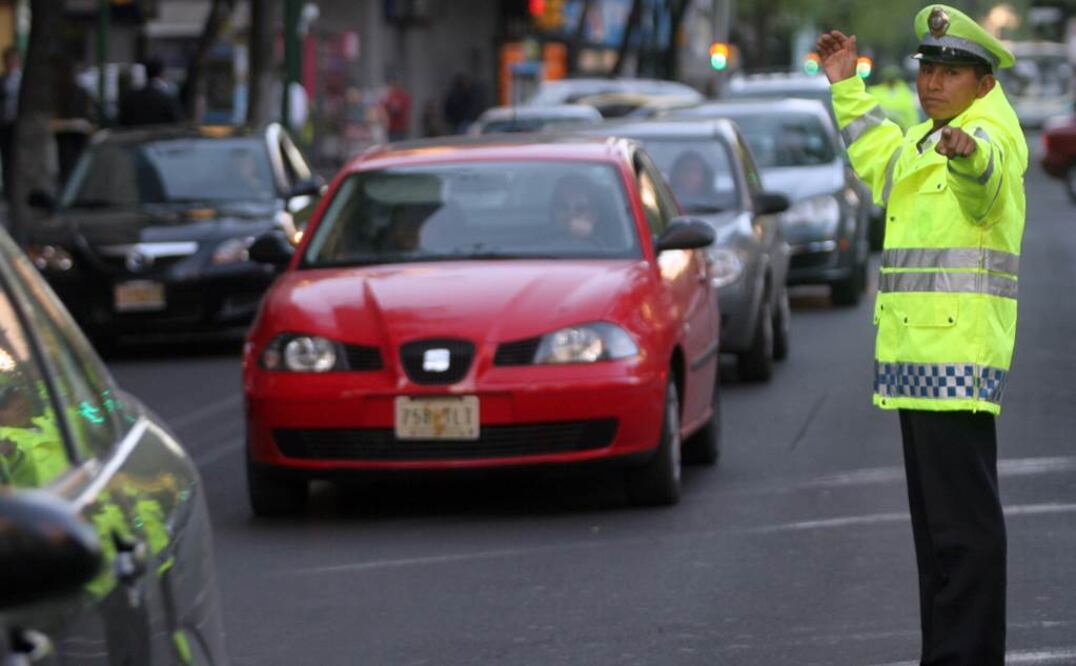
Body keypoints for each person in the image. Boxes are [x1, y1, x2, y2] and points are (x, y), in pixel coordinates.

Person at [816, 5, 1027, 664]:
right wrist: (845, 85)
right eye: (928, 69)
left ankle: (966, 656)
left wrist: (967, 157)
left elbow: (987, 180)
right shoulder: (926, 136)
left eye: (951, 72)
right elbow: (878, 157)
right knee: (939, 536)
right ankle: (947, 653)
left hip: (956, 360)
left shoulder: (987, 135)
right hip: (920, 364)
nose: (933, 83)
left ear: (984, 82)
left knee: (962, 534)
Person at [118, 58, 183, 127]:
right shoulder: (167, 98)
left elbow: (123, 122)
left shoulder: (130, 97)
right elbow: (178, 122)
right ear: (161, 73)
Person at [869, 65, 922, 131]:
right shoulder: (874, 92)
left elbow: (912, 115)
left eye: (892, 78)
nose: (891, 80)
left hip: (903, 132)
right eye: (889, 78)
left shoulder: (905, 92)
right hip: (880, 132)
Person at [0, 47, 21, 204]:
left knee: (17, 159)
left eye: (11, 59)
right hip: (5, 125)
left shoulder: (22, 80)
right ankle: (9, 190)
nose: (8, 63)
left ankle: (17, 189)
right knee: (7, 159)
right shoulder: (3, 80)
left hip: (17, 125)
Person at [382, 74, 412, 142]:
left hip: (401, 127)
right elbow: (384, 109)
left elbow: (404, 110)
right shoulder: (388, 96)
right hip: (391, 127)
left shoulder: (403, 96)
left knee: (402, 144)